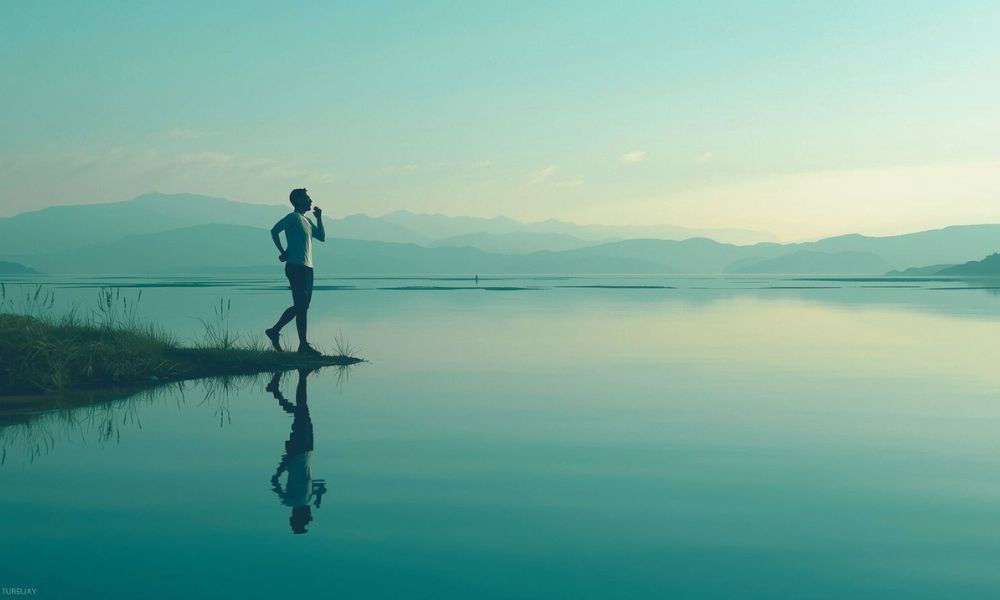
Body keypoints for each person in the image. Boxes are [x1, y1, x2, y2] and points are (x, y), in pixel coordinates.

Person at [266, 188, 326, 355]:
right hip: (295, 266)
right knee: (301, 305)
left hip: (308, 267)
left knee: (303, 306)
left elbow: (322, 237)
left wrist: (319, 218)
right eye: (307, 198)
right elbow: (274, 231)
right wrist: (282, 252)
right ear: (298, 200)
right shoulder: (293, 217)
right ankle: (301, 343)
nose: (310, 200)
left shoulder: (307, 221)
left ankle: (277, 332)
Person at [268, 369, 328, 534]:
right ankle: (277, 390)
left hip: (301, 451)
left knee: (302, 410)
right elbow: (315, 484)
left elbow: (317, 485)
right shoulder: (299, 499)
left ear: (301, 516)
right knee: (301, 413)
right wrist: (282, 468)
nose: (310, 515)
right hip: (300, 453)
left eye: (307, 518)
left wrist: (318, 496)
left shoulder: (297, 500)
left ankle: (299, 378)